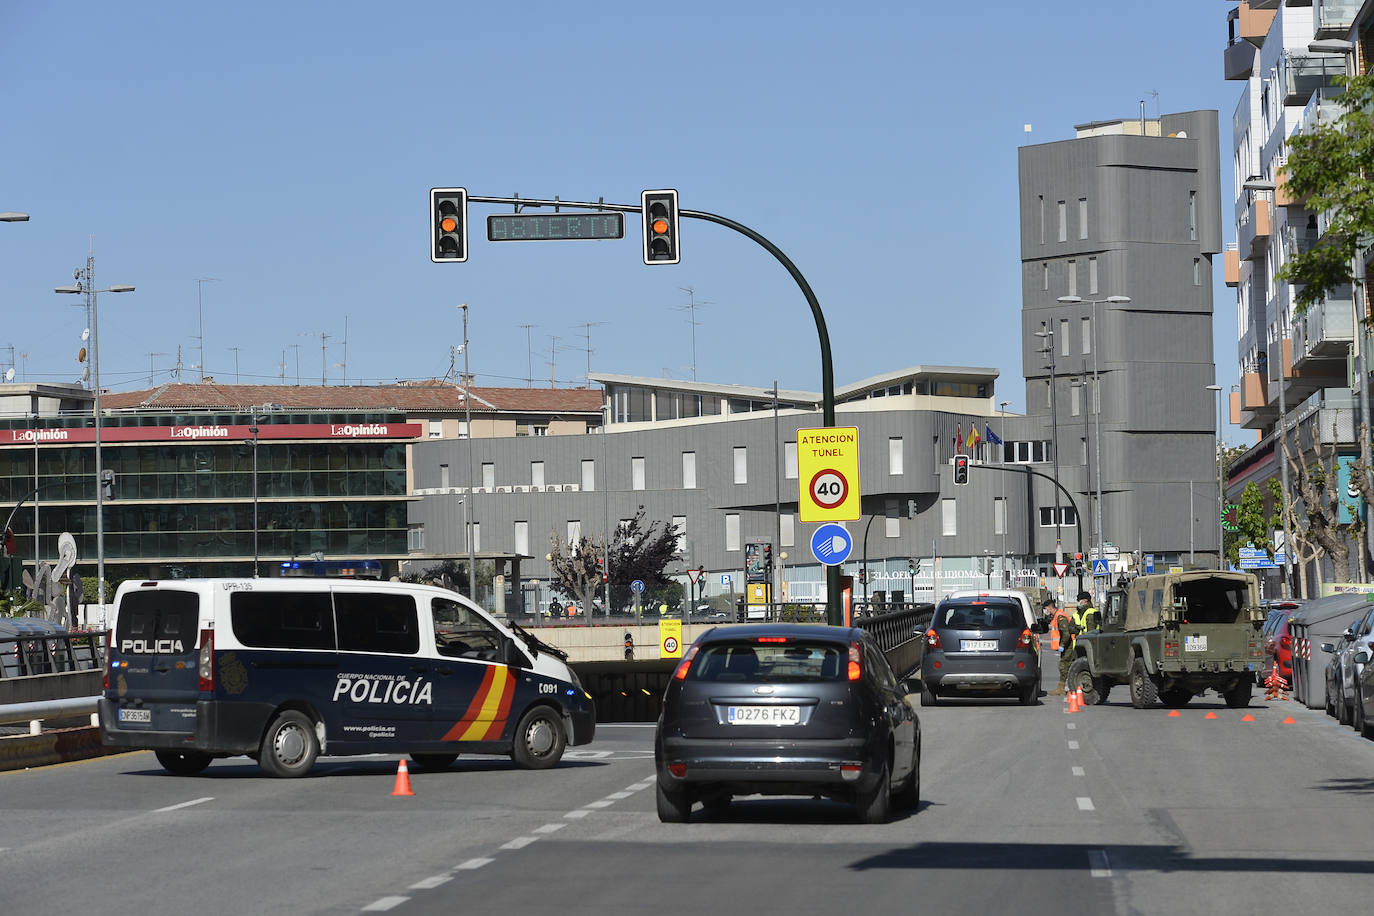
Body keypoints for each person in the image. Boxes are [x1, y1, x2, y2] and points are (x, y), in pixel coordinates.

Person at [1046, 596, 1077, 695]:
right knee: (1065, 665)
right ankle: (1062, 687)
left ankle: (1062, 688)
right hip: (1066, 645)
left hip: (1068, 645)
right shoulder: (1057, 616)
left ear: (1050, 608)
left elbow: (1066, 633)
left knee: (1064, 665)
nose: (1046, 611)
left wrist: (1062, 645)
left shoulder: (1060, 617)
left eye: (1046, 609)